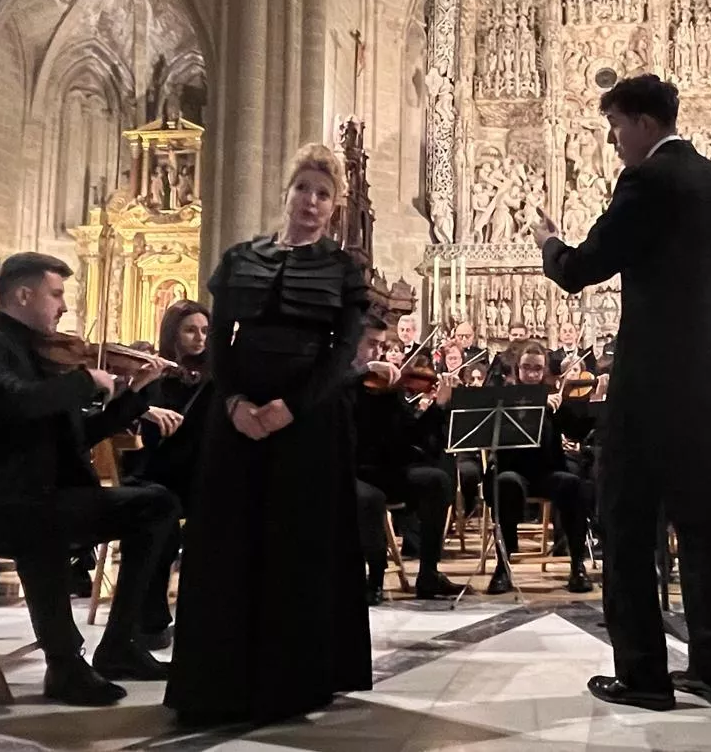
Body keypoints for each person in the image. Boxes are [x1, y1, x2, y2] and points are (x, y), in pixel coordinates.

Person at [535, 74, 711, 710]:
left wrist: (549, 243)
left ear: (645, 123)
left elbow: (581, 268)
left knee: (626, 522)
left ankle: (644, 677)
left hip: (652, 386)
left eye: (617, 125)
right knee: (705, 526)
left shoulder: (648, 180)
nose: (613, 139)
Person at [166, 144, 372, 726]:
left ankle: (290, 684)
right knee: (228, 542)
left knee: (295, 544)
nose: (311, 201)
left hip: (308, 422)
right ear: (287, 192)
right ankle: (216, 682)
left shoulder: (343, 268)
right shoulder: (239, 259)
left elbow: (341, 355)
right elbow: (218, 345)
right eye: (303, 188)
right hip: (237, 419)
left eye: (323, 194)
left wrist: (292, 407)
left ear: (335, 206)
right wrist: (233, 402)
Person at [0, 253, 178, 705]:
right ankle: (65, 665)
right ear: (22, 294)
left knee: (157, 504)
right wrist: (84, 382)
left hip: (45, 499)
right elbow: (17, 403)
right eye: (56, 294)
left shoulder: (48, 359)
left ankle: (119, 645)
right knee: (43, 517)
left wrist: (133, 398)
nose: (64, 307)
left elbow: (77, 438)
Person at [351, 312, 463, 603]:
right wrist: (358, 376)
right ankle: (374, 577)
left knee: (436, 480)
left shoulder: (386, 387)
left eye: (381, 346)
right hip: (349, 471)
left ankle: (428, 573)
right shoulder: (338, 380)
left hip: (386, 470)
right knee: (369, 499)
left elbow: (411, 433)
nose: (378, 353)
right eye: (371, 345)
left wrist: (438, 407)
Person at [123, 300, 212, 649]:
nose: (199, 338)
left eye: (205, 330)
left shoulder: (216, 377)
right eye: (190, 330)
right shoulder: (154, 375)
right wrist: (145, 408)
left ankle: (206, 615)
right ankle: (150, 620)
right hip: (158, 471)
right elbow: (127, 421)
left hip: (202, 473)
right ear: (172, 333)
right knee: (160, 520)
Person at [483, 341, 596, 595]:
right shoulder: (504, 398)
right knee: (507, 484)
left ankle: (577, 565)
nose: (532, 374)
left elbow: (578, 431)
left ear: (544, 370)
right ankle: (503, 566)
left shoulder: (552, 397)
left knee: (573, 484)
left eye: (537, 369)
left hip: (545, 473)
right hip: (511, 470)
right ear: (517, 368)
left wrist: (569, 404)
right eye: (526, 368)